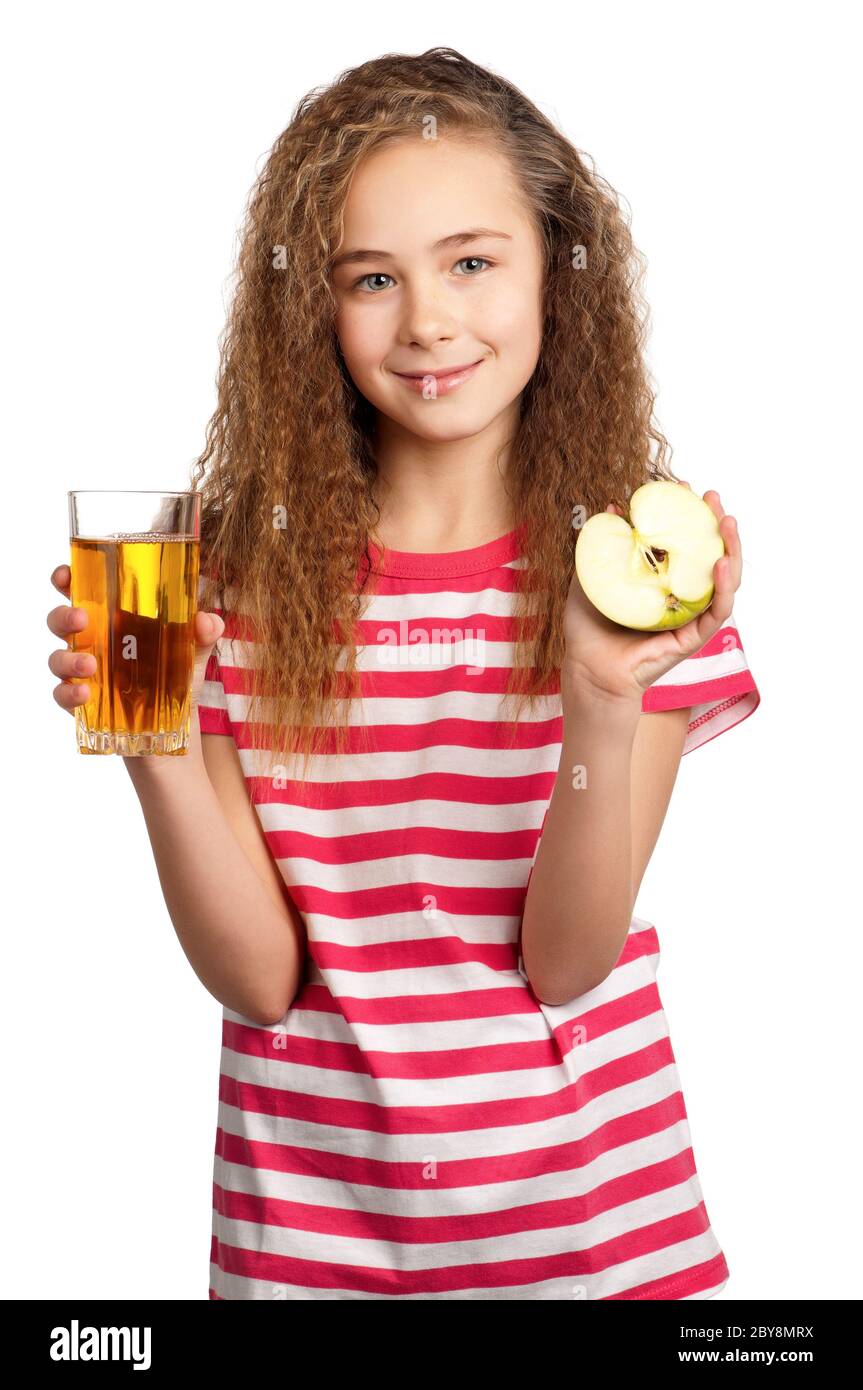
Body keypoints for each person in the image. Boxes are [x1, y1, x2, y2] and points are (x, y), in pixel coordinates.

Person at [47, 47, 760, 1300]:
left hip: (591, 1247)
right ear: (307, 311)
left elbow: (567, 962)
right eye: (371, 279)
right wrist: (152, 745)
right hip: (302, 1256)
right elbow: (259, 980)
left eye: (471, 262)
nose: (426, 320)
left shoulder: (630, 573)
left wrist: (599, 695)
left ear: (555, 272)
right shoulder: (218, 578)